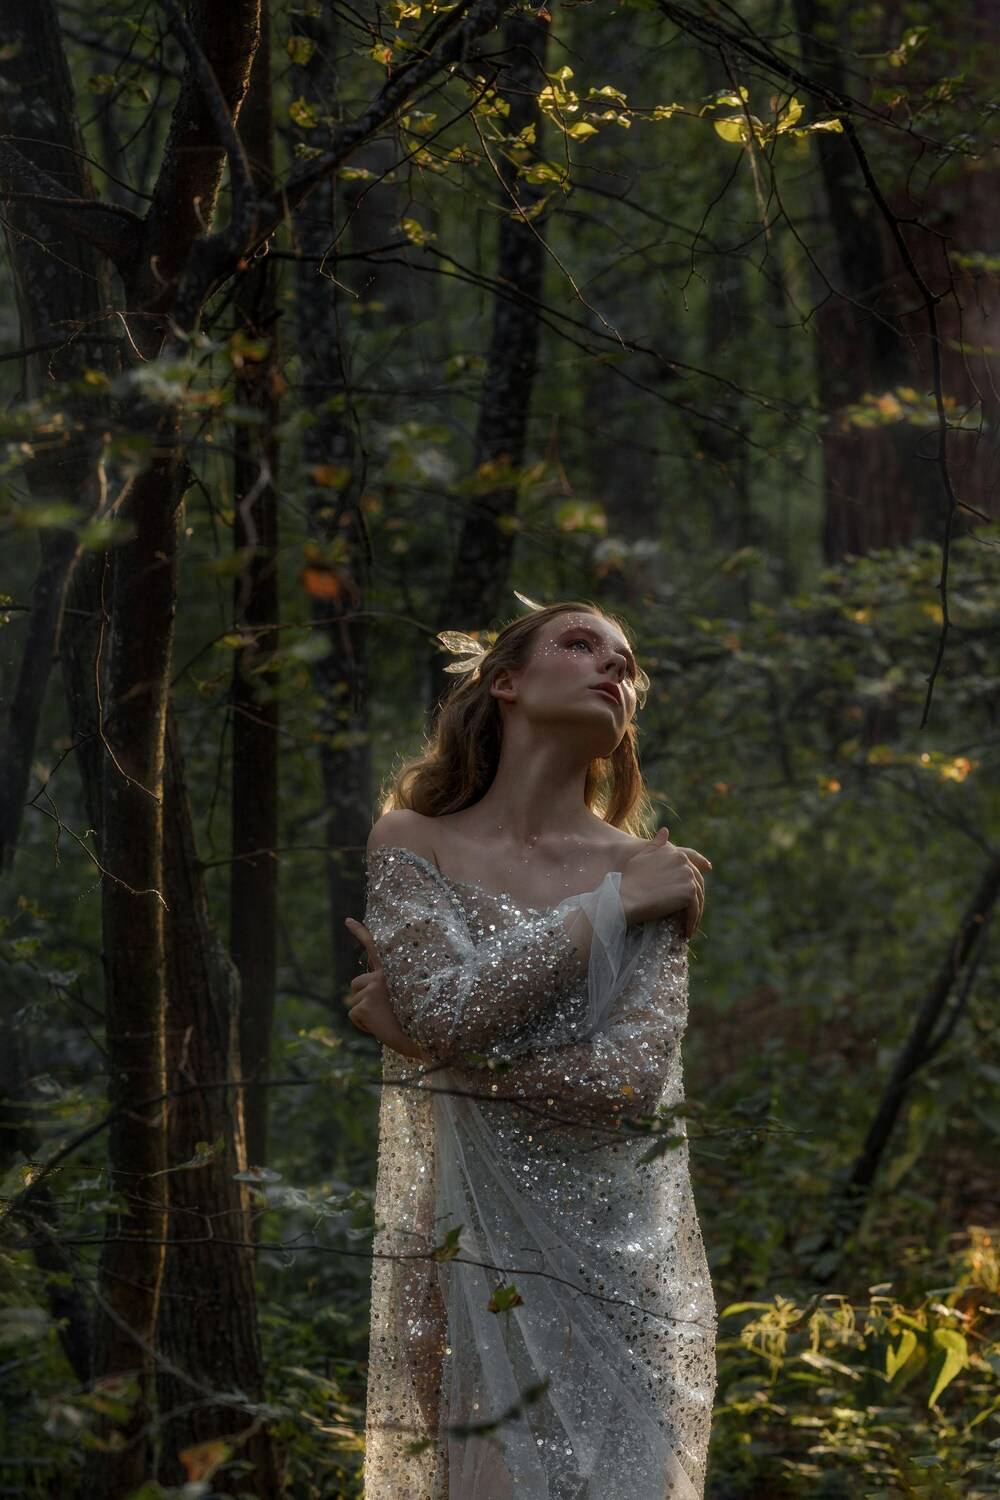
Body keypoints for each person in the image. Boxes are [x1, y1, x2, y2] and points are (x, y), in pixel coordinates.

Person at [345, 599, 717, 1499]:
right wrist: (606, 910)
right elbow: (447, 1011)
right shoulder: (413, 841)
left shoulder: (653, 869)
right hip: (466, 1261)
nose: (615, 668)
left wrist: (429, 1051)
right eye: (582, 644)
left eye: (627, 664)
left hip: (626, 1277)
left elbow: (626, 1091)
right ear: (506, 681)